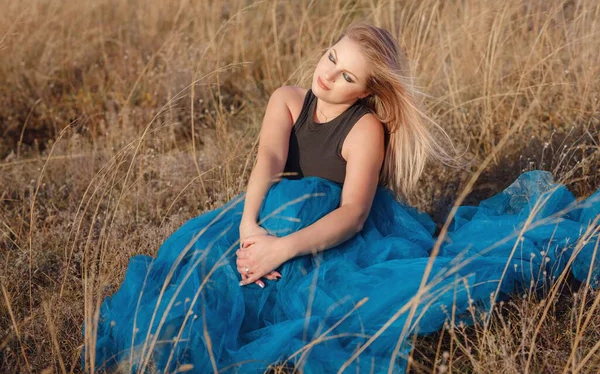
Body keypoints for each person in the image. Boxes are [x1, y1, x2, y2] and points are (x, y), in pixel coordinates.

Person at [83, 23, 600, 374]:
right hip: (269, 213)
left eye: (346, 75)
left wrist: (283, 249)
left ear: (366, 92)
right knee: (195, 272)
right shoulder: (287, 100)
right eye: (332, 57)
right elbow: (266, 159)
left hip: (335, 233)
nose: (328, 75)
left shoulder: (366, 128)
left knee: (319, 302)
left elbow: (352, 214)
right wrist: (248, 226)